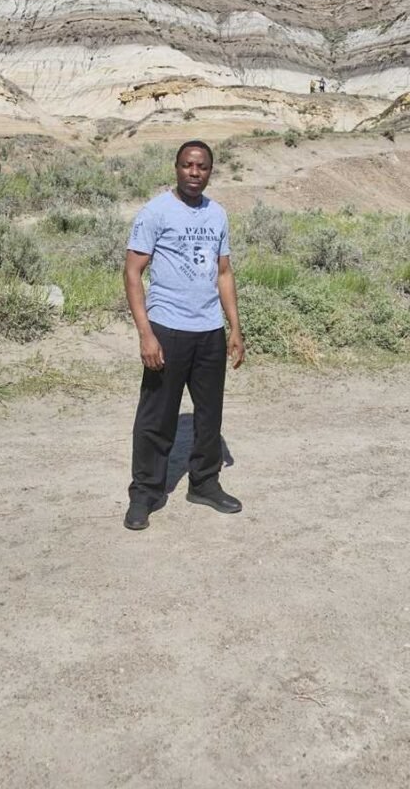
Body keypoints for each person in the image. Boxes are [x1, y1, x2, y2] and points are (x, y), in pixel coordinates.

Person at [122, 140, 245, 531]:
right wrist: (146, 334)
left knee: (210, 416)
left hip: (209, 330)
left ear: (210, 171)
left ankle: (205, 484)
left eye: (203, 167)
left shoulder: (218, 215)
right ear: (176, 167)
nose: (195, 173)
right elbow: (132, 272)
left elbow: (223, 273)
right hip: (168, 329)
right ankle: (145, 493)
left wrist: (234, 328)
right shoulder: (156, 212)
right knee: (156, 417)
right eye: (188, 165)